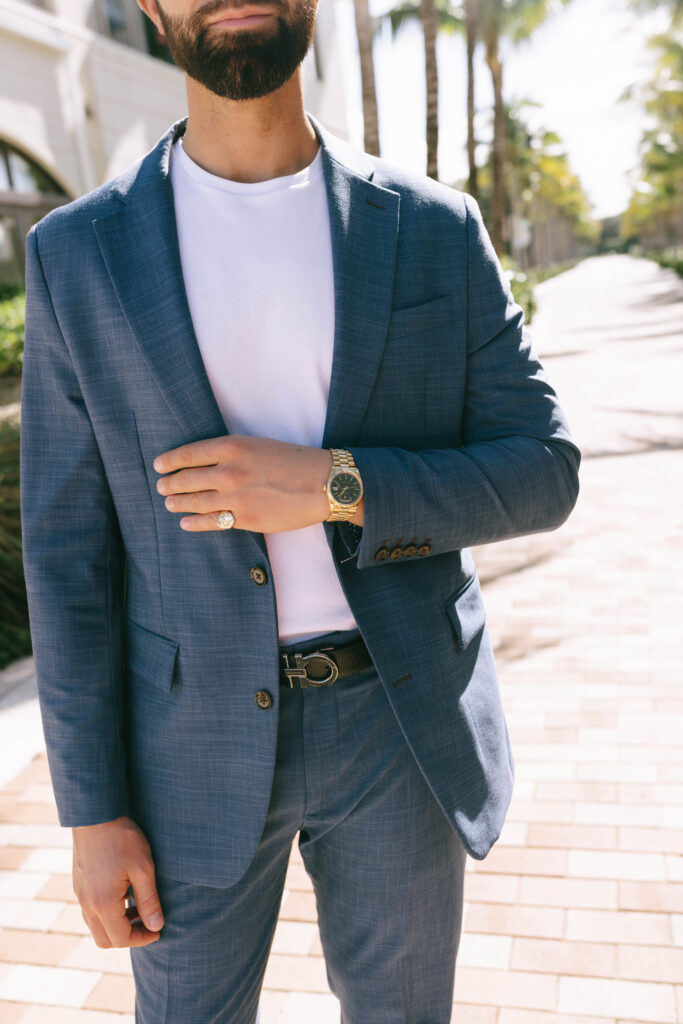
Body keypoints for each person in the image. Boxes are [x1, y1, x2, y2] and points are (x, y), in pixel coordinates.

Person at [19, 0, 581, 1020]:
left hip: (398, 727)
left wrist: (335, 483)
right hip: (182, 744)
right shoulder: (77, 255)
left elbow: (543, 468)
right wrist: (91, 811)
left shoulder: (431, 230)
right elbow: (68, 561)